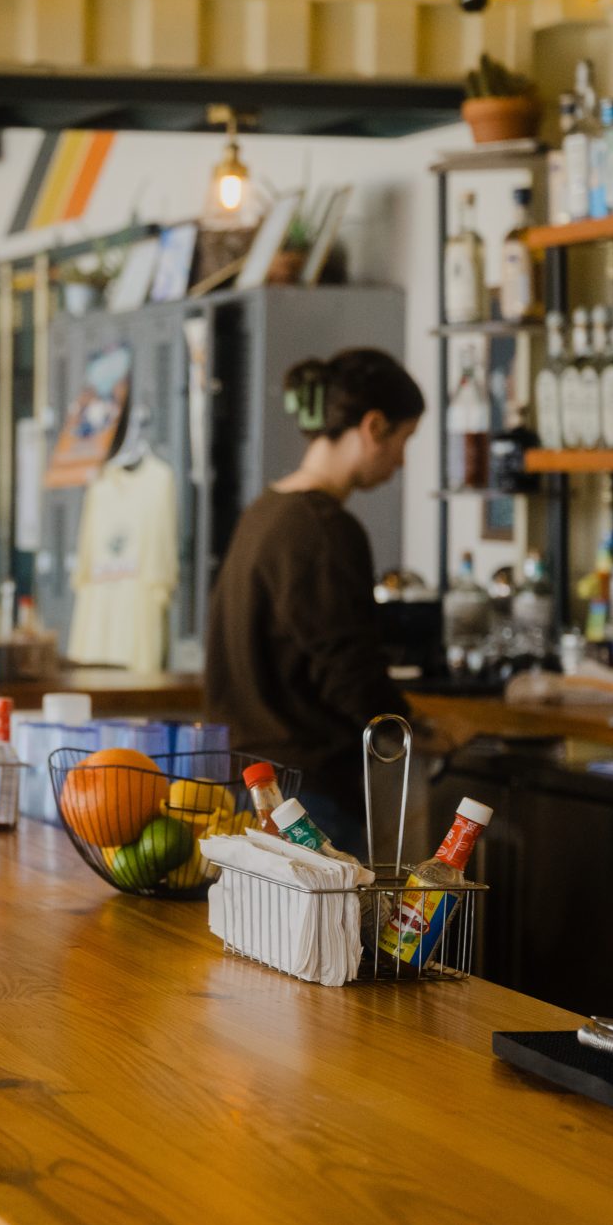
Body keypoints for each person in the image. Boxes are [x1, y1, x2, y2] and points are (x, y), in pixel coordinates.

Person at [205, 348, 427, 849]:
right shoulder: (326, 528)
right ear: (373, 426)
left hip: (249, 785)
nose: (402, 460)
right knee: (331, 930)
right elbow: (349, 674)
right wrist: (417, 728)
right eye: (404, 439)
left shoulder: (263, 512)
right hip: (309, 800)